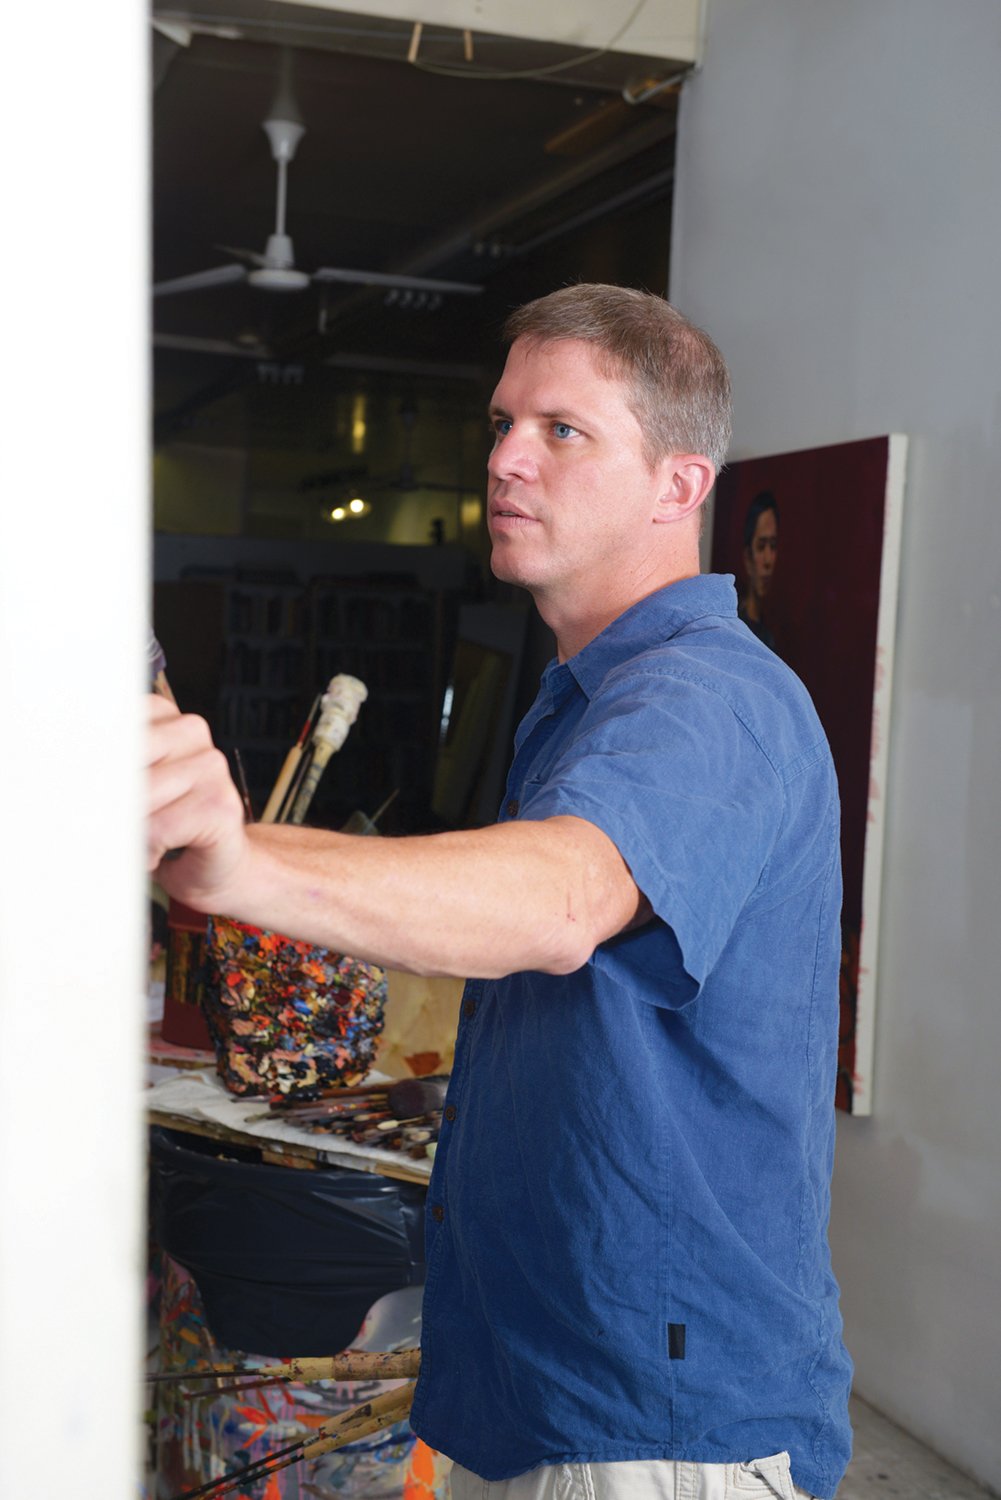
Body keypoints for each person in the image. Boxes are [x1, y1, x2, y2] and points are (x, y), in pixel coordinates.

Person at [148, 284, 852, 1500]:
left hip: (650, 1419)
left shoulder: (706, 700)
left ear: (677, 487)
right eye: (500, 424)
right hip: (542, 1384)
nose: (505, 460)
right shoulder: (580, 698)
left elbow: (560, 902)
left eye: (561, 432)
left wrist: (241, 858)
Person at [737, 489, 780, 650]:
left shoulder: (772, 626)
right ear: (748, 557)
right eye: (761, 547)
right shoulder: (738, 626)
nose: (768, 560)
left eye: (773, 546)